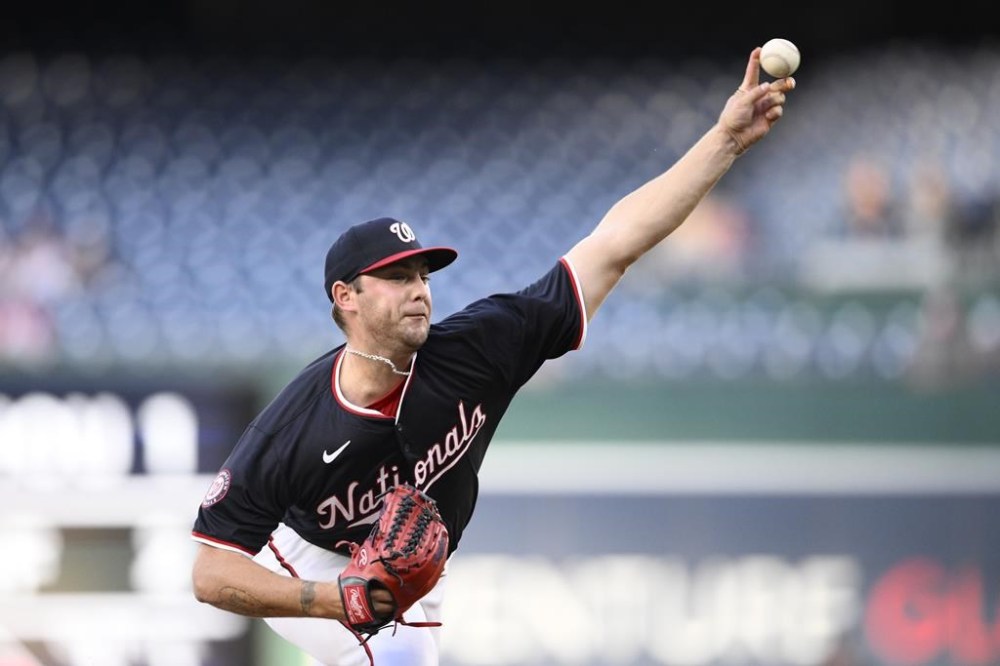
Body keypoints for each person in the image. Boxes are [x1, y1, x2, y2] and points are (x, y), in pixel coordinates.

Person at [190, 46, 796, 665]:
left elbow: (612, 246)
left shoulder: (481, 347)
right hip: (310, 561)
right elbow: (209, 573)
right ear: (345, 297)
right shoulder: (297, 424)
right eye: (396, 278)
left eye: (422, 275)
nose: (419, 290)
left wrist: (724, 140)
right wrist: (327, 597)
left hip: (408, 572)